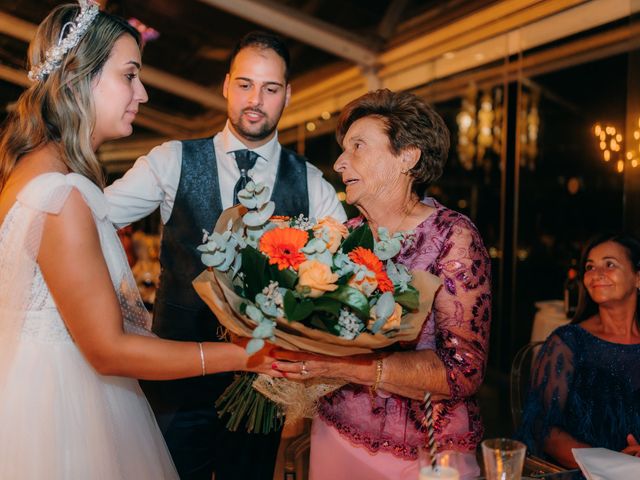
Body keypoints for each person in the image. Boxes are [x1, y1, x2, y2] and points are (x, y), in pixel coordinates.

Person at [0, 3, 279, 479]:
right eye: (129, 75)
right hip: (66, 415)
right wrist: (245, 354)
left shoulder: (37, 175)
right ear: (76, 81)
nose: (142, 93)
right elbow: (108, 348)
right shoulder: (60, 195)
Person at [104, 31, 346, 480]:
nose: (256, 99)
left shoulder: (312, 184)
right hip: (174, 389)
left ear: (287, 95)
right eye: (245, 84)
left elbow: (344, 278)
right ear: (226, 85)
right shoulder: (170, 160)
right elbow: (91, 220)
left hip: (263, 395)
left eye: (270, 89)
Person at [274, 89, 492, 480]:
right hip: (335, 439)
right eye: (343, 150)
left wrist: (348, 365)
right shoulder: (341, 237)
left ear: (408, 156)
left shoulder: (451, 238)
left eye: (358, 146)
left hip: (425, 455)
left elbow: (462, 372)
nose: (340, 162)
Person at [518, 232, 640, 467]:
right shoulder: (568, 343)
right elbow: (542, 426)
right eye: (590, 267)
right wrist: (609, 464)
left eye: (609, 264)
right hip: (586, 472)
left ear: (637, 277)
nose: (596, 274)